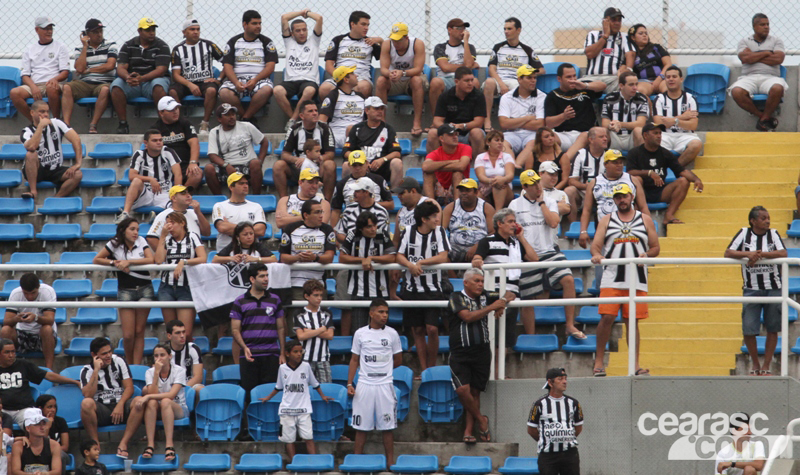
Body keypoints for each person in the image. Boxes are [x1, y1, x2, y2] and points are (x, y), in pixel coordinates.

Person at [590, 184, 660, 376]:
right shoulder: (606, 220)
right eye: (618, 197)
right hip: (612, 276)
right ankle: (598, 362)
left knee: (632, 321)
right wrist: (597, 255)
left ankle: (635, 364)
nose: (622, 200)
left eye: (625, 196)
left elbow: (656, 247)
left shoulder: (645, 219)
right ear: (614, 200)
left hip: (636, 277)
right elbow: (595, 246)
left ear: (632, 197)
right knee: (607, 317)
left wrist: (647, 255)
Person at [511, 170, 584, 338]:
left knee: (568, 280)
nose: (537, 186)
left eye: (538, 182)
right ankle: (531, 336)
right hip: (527, 255)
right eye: (533, 184)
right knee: (527, 297)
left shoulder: (550, 202)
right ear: (524, 187)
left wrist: (541, 203)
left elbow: (553, 222)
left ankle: (570, 325)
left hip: (550, 251)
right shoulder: (514, 205)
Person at [448, 268, 514, 443]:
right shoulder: (456, 297)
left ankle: (469, 432)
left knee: (475, 392)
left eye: (482, 281)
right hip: (460, 351)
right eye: (476, 281)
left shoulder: (486, 295)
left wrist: (503, 302)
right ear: (466, 283)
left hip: (482, 350)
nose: (480, 284)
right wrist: (493, 307)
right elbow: (467, 317)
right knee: (463, 390)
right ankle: (482, 420)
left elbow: (511, 293)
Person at [724, 206, 786, 376]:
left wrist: (760, 255)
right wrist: (748, 254)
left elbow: (783, 252)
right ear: (753, 221)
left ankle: (766, 366)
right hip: (751, 288)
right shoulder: (744, 233)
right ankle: (755, 365)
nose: (768, 221)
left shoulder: (773, 234)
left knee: (772, 328)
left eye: (768, 218)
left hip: (774, 287)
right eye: (763, 218)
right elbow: (728, 252)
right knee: (748, 329)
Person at [472, 208, 538, 349]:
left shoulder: (516, 243)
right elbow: (477, 257)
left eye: (515, 221)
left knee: (506, 340)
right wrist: (477, 260)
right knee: (492, 339)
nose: (514, 224)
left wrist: (521, 238)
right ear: (499, 224)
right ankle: (493, 371)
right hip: (493, 294)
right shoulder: (487, 241)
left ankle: (500, 371)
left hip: (513, 295)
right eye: (510, 221)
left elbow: (534, 259)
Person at [93, 217, 155, 364]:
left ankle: (136, 366)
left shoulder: (141, 241)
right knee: (128, 334)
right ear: (123, 230)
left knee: (139, 331)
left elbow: (150, 259)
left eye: (137, 229)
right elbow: (97, 259)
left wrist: (129, 262)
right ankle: (129, 364)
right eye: (132, 229)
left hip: (145, 289)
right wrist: (114, 262)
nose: (136, 233)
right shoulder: (114, 243)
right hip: (125, 290)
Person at [397, 201, 451, 372]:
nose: (437, 219)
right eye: (434, 216)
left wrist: (420, 262)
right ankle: (423, 368)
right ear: (424, 219)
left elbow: (443, 257)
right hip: (412, 289)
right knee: (418, 330)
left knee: (432, 329)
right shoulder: (408, 232)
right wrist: (410, 265)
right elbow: (399, 256)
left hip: (433, 289)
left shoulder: (440, 232)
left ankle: (432, 367)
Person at [348, 298, 402, 464]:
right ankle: (356, 462)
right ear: (371, 313)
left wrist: (383, 373)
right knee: (361, 426)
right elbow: (354, 360)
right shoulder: (360, 333)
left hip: (385, 385)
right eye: (380, 312)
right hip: (364, 384)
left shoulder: (392, 333)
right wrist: (350, 383)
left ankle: (390, 463)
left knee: (387, 426)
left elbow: (398, 359)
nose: (384, 315)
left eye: (386, 312)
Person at [259, 340, 331, 457]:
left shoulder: (306, 366)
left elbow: (315, 383)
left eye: (300, 351)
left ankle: (313, 462)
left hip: (304, 409)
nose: (299, 354)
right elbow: (278, 387)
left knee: (308, 437)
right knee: (289, 439)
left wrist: (323, 396)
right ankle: (293, 463)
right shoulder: (282, 368)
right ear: (287, 354)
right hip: (287, 410)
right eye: (295, 352)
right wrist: (267, 397)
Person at [118, 344, 187, 462]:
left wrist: (148, 396)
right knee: (151, 403)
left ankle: (169, 445)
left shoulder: (179, 370)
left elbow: (171, 395)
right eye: (156, 356)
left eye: (162, 355)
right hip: (159, 408)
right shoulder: (149, 372)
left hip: (178, 407)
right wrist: (156, 374)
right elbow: (153, 392)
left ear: (170, 356)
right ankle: (150, 445)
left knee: (165, 401)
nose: (159, 358)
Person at [626, 122, 704, 224]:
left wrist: (696, 179)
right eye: (655, 133)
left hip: (660, 191)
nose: (659, 136)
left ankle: (669, 215)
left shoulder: (665, 153)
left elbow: (682, 171)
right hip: (641, 191)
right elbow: (629, 172)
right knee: (636, 179)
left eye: (660, 133)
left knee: (684, 181)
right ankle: (638, 215)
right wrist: (649, 173)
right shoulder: (635, 153)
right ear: (645, 135)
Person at [578, 150, 650, 251]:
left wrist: (649, 229)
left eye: (621, 162)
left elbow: (643, 207)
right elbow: (587, 210)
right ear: (605, 164)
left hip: (630, 228)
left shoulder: (632, 180)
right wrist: (583, 231)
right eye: (615, 162)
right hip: (604, 230)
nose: (619, 165)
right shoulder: (595, 182)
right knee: (603, 261)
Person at [340, 211, 398, 333]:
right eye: (369, 227)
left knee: (381, 328)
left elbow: (392, 256)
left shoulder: (382, 234)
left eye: (375, 225)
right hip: (358, 289)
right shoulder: (352, 234)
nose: (373, 229)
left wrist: (371, 258)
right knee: (359, 329)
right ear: (361, 228)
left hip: (381, 289)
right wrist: (362, 260)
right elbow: (342, 257)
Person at [279, 200, 337, 324]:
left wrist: (315, 258)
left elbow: (329, 257)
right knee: (296, 325)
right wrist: (298, 258)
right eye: (317, 212)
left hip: (318, 285)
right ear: (306, 215)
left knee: (318, 323)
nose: (321, 215)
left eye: (321, 212)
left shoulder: (327, 230)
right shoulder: (291, 228)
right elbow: (283, 257)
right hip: (295, 285)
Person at [110, 18, 171, 134]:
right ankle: (123, 124)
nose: (152, 32)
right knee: (116, 86)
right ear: (139, 31)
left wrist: (142, 78)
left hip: (152, 81)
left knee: (158, 85)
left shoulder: (162, 46)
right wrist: (128, 77)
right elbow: (121, 67)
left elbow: (161, 70)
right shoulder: (128, 45)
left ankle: (163, 125)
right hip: (133, 82)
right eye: (148, 30)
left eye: (153, 29)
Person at [231, 263, 286, 390]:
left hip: (271, 355)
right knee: (251, 395)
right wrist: (244, 347)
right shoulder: (239, 301)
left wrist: (282, 353)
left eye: (267, 275)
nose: (266, 279)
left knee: (270, 394)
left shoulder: (275, 300)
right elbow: (235, 329)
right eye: (262, 276)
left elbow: (281, 328)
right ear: (252, 279)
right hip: (249, 355)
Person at [219, 10, 278, 127]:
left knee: (266, 90)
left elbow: (270, 66)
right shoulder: (233, 42)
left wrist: (255, 80)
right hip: (237, 79)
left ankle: (245, 118)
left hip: (259, 80)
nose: (258, 26)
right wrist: (236, 82)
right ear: (244, 24)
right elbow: (227, 66)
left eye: (260, 23)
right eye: (254, 23)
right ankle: (246, 118)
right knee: (224, 92)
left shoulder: (266, 42)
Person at [0, 339, 78, 427]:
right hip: (3, 410)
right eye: (7, 352)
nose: (11, 355)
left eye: (13, 352)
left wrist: (74, 381)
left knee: (37, 421)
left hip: (24, 410)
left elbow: (48, 375)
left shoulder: (23, 365)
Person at [730, 13, 787, 131]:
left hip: (770, 77)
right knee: (736, 92)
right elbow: (745, 59)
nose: (766, 27)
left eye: (767, 24)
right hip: (748, 77)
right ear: (754, 27)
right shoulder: (744, 41)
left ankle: (763, 119)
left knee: (777, 88)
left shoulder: (776, 41)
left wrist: (753, 55)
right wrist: (767, 53)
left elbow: (778, 59)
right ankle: (763, 117)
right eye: (762, 24)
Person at [155, 211, 207, 340]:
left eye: (172, 223)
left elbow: (202, 258)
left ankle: (187, 357)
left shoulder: (193, 237)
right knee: (172, 333)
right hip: (167, 287)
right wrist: (162, 237)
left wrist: (184, 262)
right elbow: (158, 260)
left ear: (182, 223)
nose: (169, 226)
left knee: (185, 333)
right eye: (167, 223)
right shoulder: (166, 240)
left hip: (186, 287)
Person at [484, 18, 543, 127]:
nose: (506, 31)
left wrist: (527, 73)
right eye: (505, 29)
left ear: (518, 30)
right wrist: (501, 84)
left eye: (509, 29)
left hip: (516, 81)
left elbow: (541, 70)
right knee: (488, 82)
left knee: (519, 87)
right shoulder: (498, 47)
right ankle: (487, 120)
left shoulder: (527, 50)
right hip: (499, 80)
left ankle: (515, 122)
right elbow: (491, 69)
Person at [168, 18, 224, 134]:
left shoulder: (209, 45)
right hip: (186, 83)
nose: (196, 32)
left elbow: (228, 63)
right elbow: (176, 75)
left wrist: (219, 79)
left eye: (198, 29)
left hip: (205, 81)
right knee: (173, 92)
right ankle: (181, 124)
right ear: (184, 32)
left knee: (212, 90)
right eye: (192, 29)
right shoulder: (177, 49)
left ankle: (205, 124)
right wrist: (190, 84)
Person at [20, 100, 83, 202]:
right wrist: (40, 126)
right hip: (37, 170)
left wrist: (78, 163)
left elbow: (76, 139)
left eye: (47, 112)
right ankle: (33, 192)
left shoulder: (57, 123)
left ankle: (56, 199)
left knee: (77, 174)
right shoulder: (26, 131)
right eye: (42, 111)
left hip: (55, 169)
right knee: (30, 155)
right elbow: (31, 147)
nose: (45, 115)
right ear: (32, 113)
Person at [62, 19, 117, 132]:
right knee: (67, 87)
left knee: (105, 90)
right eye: (95, 32)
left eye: (101, 31)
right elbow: (80, 68)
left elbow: (110, 66)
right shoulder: (79, 49)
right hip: (85, 83)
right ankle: (66, 125)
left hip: (103, 82)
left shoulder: (111, 45)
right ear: (87, 34)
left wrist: (89, 70)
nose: (99, 34)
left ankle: (93, 124)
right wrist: (85, 47)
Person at [10, 17, 70, 122]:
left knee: (51, 88)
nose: (49, 31)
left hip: (54, 83)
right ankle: (35, 122)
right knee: (14, 93)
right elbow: (25, 75)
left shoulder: (61, 46)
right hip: (35, 84)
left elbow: (65, 72)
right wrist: (33, 87)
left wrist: (54, 80)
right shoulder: (29, 49)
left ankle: (56, 121)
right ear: (37, 30)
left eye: (51, 28)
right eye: (46, 29)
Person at [115, 130, 181, 223]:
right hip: (146, 194)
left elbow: (178, 174)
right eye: (154, 140)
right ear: (146, 143)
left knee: (177, 207)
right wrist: (150, 179)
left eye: (160, 140)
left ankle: (156, 218)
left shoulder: (168, 152)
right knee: (136, 181)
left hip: (164, 193)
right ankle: (125, 213)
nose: (159, 143)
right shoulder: (139, 154)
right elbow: (131, 176)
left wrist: (176, 194)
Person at [528, 368, 584, 475]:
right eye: (560, 379)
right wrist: (547, 439)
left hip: (570, 454)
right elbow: (531, 429)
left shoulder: (574, 403)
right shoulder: (539, 404)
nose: (565, 381)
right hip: (548, 455)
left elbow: (578, 427)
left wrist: (565, 437)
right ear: (550, 382)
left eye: (565, 379)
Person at [277, 101, 337, 200]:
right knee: (278, 165)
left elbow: (330, 154)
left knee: (330, 165)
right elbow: (285, 154)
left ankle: (326, 202)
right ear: (302, 115)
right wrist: (299, 160)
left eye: (316, 110)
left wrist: (319, 158)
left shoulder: (325, 128)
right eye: (310, 111)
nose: (315, 113)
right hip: (299, 167)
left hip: (319, 166)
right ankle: (284, 201)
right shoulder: (294, 129)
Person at [79, 337, 134, 445]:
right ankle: (95, 443)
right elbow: (88, 395)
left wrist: (120, 404)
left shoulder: (119, 361)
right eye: (104, 353)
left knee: (138, 401)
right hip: (102, 409)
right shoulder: (86, 370)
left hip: (121, 404)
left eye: (109, 351)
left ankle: (124, 442)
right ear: (94, 355)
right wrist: (96, 370)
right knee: (86, 403)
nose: (108, 355)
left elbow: (129, 388)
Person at [204, 103, 269, 195]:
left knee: (255, 163)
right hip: (226, 168)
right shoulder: (215, 132)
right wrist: (226, 165)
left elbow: (264, 142)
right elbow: (212, 156)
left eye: (233, 114)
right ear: (219, 119)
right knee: (208, 168)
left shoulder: (247, 126)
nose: (231, 117)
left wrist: (260, 161)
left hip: (247, 166)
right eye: (227, 115)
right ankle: (219, 199)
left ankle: (256, 196)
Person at [274, 10, 324, 128]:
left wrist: (307, 13)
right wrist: (300, 12)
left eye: (304, 30)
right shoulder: (289, 42)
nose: (302, 33)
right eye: (298, 30)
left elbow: (319, 18)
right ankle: (295, 121)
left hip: (308, 81)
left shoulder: (314, 41)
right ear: (292, 33)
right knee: (277, 90)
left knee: (309, 91)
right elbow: (284, 17)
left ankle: (292, 120)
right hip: (291, 81)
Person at [544, 64, 606, 160]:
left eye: (574, 76)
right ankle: (557, 161)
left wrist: (585, 86)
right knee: (547, 137)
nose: (573, 79)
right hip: (563, 135)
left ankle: (564, 161)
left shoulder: (584, 88)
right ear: (559, 79)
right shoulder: (553, 95)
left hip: (585, 134)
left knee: (585, 136)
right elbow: (548, 123)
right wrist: (563, 116)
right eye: (568, 77)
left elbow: (602, 86)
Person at [376, 23, 428, 136]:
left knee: (417, 80)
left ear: (406, 38)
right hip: (395, 80)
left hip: (412, 78)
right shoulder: (387, 44)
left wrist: (403, 73)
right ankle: (382, 123)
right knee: (381, 81)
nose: (396, 43)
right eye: (394, 40)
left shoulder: (417, 44)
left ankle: (417, 123)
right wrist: (390, 74)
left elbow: (418, 69)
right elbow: (383, 69)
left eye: (399, 40)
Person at [342, 97, 403, 188]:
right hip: (360, 166)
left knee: (397, 163)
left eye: (381, 109)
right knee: (346, 165)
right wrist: (362, 162)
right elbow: (346, 151)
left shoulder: (388, 129)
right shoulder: (356, 128)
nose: (380, 111)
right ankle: (347, 193)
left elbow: (397, 152)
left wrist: (382, 160)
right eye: (376, 108)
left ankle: (395, 196)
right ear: (367, 110)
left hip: (382, 167)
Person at [319, 11, 380, 100]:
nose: (366, 28)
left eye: (368, 25)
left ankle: (362, 113)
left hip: (361, 78)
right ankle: (328, 113)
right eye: (363, 24)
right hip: (339, 77)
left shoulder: (370, 42)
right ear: (353, 24)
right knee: (324, 89)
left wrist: (380, 41)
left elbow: (386, 58)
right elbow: (329, 66)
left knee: (364, 88)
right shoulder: (338, 40)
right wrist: (342, 77)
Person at [427, 67, 485, 159]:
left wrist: (461, 126)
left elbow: (479, 122)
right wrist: (448, 128)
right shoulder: (445, 96)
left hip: (469, 133)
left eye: (472, 80)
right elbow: (437, 121)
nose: (470, 83)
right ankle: (436, 167)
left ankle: (477, 168)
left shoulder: (478, 96)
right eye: (467, 81)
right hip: (449, 132)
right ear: (456, 81)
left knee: (477, 133)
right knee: (432, 133)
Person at [2, 274, 58, 369]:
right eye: (26, 293)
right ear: (22, 289)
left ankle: (49, 370)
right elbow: (6, 322)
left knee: (47, 329)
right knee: (5, 330)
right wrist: (16, 319)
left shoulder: (48, 291)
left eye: (33, 293)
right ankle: (7, 369)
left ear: (38, 287)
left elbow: (50, 320)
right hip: (22, 334)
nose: (30, 297)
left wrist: (36, 318)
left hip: (42, 336)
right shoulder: (15, 293)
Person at [652, 65, 703, 166]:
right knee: (650, 143)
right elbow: (658, 124)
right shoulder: (659, 98)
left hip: (685, 135)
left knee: (696, 145)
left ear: (681, 79)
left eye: (674, 77)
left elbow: (693, 125)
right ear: (665, 80)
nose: (671, 79)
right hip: (664, 135)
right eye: (668, 77)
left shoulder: (690, 98)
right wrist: (682, 118)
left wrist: (673, 121)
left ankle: (675, 169)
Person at [498, 65, 545, 167]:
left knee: (533, 143)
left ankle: (516, 167)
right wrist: (527, 118)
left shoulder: (542, 96)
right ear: (519, 79)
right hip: (511, 134)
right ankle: (511, 166)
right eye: (529, 78)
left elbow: (540, 125)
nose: (533, 80)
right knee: (502, 143)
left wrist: (513, 121)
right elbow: (503, 123)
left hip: (532, 134)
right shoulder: (507, 97)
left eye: (534, 78)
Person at [152, 97, 202, 190]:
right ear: (161, 113)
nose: (175, 112)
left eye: (176, 108)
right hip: (165, 167)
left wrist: (193, 163)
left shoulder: (185, 123)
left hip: (185, 165)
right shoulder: (155, 128)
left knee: (197, 174)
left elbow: (194, 143)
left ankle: (181, 195)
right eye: (171, 110)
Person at [442, 179, 495, 265]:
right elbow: (441, 230)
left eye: (467, 190)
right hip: (454, 252)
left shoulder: (486, 208)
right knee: (442, 254)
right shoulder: (450, 208)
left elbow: (493, 232)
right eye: (461, 190)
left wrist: (478, 246)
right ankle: (453, 278)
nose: (463, 193)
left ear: (476, 192)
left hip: (479, 251)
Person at [429, 18, 478, 111]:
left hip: (464, 79)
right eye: (459, 28)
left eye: (464, 28)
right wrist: (466, 66)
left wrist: (466, 41)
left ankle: (471, 120)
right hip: (445, 79)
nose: (462, 31)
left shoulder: (469, 47)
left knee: (475, 82)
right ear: (450, 30)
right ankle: (436, 120)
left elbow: (468, 64)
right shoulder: (440, 47)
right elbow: (445, 67)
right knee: (435, 82)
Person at [211, 172, 268, 250]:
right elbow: (222, 227)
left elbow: (261, 231)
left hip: (251, 253)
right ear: (231, 187)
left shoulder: (256, 206)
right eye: (241, 184)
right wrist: (250, 231)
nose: (245, 186)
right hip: (226, 252)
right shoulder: (220, 206)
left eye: (246, 183)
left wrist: (230, 227)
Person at [331, 151, 394, 221]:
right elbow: (336, 210)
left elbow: (391, 205)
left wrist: (371, 204)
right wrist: (334, 231)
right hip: (352, 221)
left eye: (360, 164)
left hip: (374, 221)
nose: (358, 168)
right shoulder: (342, 184)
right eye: (354, 165)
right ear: (349, 165)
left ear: (367, 163)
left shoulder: (378, 180)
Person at [564, 127, 609, 223]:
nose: (605, 139)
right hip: (583, 193)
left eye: (606, 136)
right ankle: (573, 225)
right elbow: (571, 180)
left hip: (604, 192)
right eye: (601, 137)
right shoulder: (580, 154)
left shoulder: (610, 156)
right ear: (591, 140)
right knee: (569, 190)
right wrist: (587, 187)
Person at [146, 185, 211, 249]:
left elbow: (207, 233)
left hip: (195, 256)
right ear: (174, 198)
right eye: (183, 193)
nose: (188, 195)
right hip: (175, 257)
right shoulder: (164, 215)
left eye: (189, 193)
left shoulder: (194, 212)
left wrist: (198, 213)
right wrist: (166, 255)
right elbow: (151, 238)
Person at [294, 280, 334, 383]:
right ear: (306, 296)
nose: (319, 298)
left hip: (323, 358)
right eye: (316, 295)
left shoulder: (327, 313)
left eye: (321, 295)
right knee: (304, 389)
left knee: (326, 389)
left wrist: (309, 332)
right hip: (305, 358)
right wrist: (321, 329)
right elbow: (301, 336)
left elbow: (330, 335)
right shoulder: (299, 313)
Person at [582, 7, 629, 93]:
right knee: (576, 88)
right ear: (605, 21)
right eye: (613, 20)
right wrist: (605, 36)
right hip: (592, 78)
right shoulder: (593, 35)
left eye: (619, 20)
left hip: (614, 79)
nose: (617, 23)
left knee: (627, 87)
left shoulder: (625, 37)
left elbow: (630, 56)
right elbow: (590, 54)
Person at [600, 71, 648, 151]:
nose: (635, 88)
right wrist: (611, 125)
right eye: (631, 84)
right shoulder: (610, 98)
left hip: (632, 137)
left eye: (636, 84)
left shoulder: (641, 98)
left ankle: (640, 160)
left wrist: (620, 124)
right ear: (621, 86)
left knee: (639, 130)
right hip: (614, 136)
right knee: (601, 131)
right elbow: (605, 123)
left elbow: (641, 123)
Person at [424, 123, 472, 202]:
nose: (455, 137)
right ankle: (431, 204)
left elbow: (461, 166)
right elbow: (425, 167)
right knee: (428, 173)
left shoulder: (466, 148)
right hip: (440, 190)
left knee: (457, 172)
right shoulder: (436, 153)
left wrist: (437, 166)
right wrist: (453, 162)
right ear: (441, 138)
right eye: (451, 135)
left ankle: (457, 205)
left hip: (461, 189)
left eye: (456, 134)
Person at [319, 65, 365, 148]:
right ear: (346, 79)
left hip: (359, 136)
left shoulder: (361, 97)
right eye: (352, 74)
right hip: (337, 137)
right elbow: (321, 121)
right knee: (351, 129)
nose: (356, 75)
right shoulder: (333, 96)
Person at [10, 408, 61, 475]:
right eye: (37, 424)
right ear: (28, 428)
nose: (42, 427)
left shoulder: (54, 445)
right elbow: (15, 471)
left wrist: (44, 474)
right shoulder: (18, 446)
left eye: (43, 424)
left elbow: (57, 471)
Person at [625, 24, 671, 97]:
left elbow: (668, 64)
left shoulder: (656, 48)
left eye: (646, 33)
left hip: (661, 80)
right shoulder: (631, 53)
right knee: (640, 91)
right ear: (633, 37)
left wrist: (659, 78)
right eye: (641, 33)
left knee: (669, 90)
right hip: (643, 82)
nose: (644, 35)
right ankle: (648, 108)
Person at [392, 177, 439, 248]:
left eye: (402, 193)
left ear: (413, 191)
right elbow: (396, 240)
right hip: (404, 253)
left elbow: (437, 233)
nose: (399, 196)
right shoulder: (401, 212)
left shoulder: (429, 204)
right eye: (398, 194)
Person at [474, 130, 515, 208]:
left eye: (501, 141)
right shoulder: (480, 157)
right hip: (486, 190)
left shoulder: (507, 156)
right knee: (477, 195)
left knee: (499, 183)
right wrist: (492, 181)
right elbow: (481, 176)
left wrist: (501, 180)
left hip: (505, 191)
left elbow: (510, 175)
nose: (500, 143)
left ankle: (497, 212)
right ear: (488, 142)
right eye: (497, 140)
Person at [165, 319, 205, 391]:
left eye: (183, 332)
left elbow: (198, 377)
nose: (182, 336)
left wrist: (180, 389)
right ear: (169, 336)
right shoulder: (163, 351)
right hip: (168, 386)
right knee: (146, 389)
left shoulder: (193, 348)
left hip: (188, 385)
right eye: (178, 333)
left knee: (201, 389)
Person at [35, 395, 68, 475]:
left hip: (59, 453)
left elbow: (65, 447)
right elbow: (41, 444)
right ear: (40, 408)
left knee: (61, 455)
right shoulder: (35, 423)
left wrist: (53, 451)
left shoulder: (60, 421)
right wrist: (47, 426)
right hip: (39, 452)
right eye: (49, 407)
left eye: (54, 407)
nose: (53, 410)